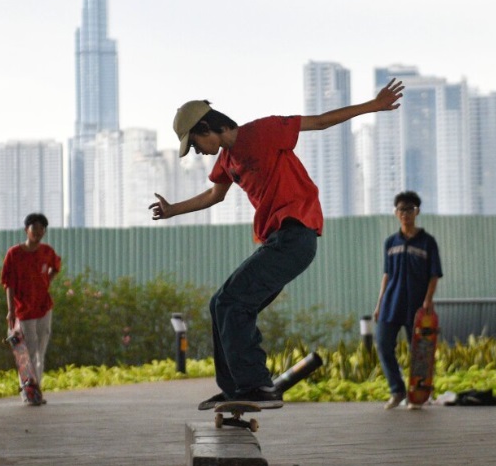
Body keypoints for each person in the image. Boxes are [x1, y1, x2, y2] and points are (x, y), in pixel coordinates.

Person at [150, 79, 405, 409]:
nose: (198, 151)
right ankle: (236, 389)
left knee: (232, 302)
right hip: (277, 241)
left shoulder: (265, 130)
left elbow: (320, 121)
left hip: (296, 234)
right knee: (221, 304)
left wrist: (374, 105)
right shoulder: (226, 161)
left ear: (206, 127)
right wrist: (173, 210)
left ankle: (256, 385)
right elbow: (214, 195)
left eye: (196, 143)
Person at [373, 191, 442, 410]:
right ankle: (397, 391)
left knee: (420, 352)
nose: (406, 214)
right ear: (396, 213)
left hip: (417, 306)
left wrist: (428, 300)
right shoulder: (390, 242)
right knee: (383, 344)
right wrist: (379, 304)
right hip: (391, 304)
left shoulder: (427, 242)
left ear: (417, 212)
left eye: (410, 209)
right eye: (401, 209)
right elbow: (386, 275)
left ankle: (417, 396)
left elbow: (434, 274)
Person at [0, 212, 61, 402]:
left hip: (44, 307)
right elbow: (8, 284)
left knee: (40, 353)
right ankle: (28, 392)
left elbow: (56, 267)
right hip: (24, 310)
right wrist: (10, 310)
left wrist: (46, 281)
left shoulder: (47, 252)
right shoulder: (14, 254)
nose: (38, 231)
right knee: (27, 353)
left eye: (42, 228)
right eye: (34, 228)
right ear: (26, 230)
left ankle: (36, 391)